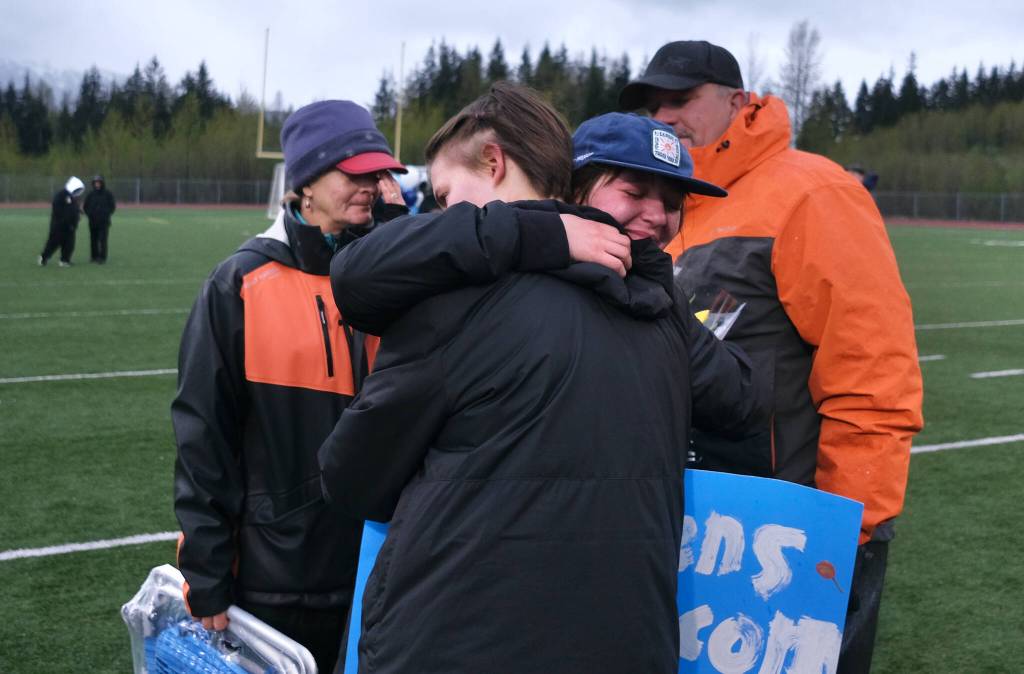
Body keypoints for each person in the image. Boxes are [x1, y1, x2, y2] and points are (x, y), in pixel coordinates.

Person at [319, 83, 763, 673]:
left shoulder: (467, 303)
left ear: (498, 165)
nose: (656, 215)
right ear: (578, 190)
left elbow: (354, 480)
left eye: (672, 199)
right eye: (634, 191)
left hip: (455, 643)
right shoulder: (658, 311)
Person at [618, 40, 924, 672]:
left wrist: (849, 524)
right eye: (652, 104)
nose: (664, 115)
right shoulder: (663, 207)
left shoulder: (812, 192)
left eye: (681, 98)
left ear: (739, 100)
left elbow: (872, 369)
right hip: (693, 521)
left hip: (791, 523)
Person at [171, 99, 411, 674]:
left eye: (380, 174)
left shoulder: (393, 273)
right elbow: (204, 437)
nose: (373, 186)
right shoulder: (240, 283)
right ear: (305, 182)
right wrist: (206, 570)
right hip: (274, 581)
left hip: (380, 568)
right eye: (357, 171)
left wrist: (401, 239)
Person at [39, 176, 84, 267]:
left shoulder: (72, 197)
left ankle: (65, 260)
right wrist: (65, 219)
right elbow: (58, 209)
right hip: (59, 225)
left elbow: (73, 208)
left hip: (70, 226)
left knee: (69, 244)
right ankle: (44, 257)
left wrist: (78, 212)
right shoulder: (61, 195)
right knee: (53, 243)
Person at [83, 174, 116, 263]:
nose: (97, 184)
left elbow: (112, 206)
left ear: (102, 183)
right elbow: (85, 206)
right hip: (92, 221)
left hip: (104, 222)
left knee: (102, 240)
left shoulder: (108, 194)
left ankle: (102, 257)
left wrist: (106, 214)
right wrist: (89, 214)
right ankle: (94, 256)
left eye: (99, 182)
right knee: (93, 240)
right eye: (95, 182)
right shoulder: (90, 195)